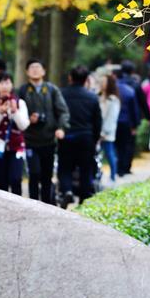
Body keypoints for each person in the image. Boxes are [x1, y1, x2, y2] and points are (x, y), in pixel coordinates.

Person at [18, 60, 70, 204]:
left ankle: (48, 205)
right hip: (30, 140)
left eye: (38, 67)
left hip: (48, 140)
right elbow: (16, 114)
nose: (35, 70)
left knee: (46, 176)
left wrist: (61, 128)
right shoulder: (22, 91)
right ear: (27, 72)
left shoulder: (52, 90)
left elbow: (63, 111)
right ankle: (34, 205)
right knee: (34, 174)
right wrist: (28, 119)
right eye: (32, 68)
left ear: (44, 71)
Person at [57, 66, 102, 205]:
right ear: (86, 79)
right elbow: (97, 122)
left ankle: (67, 191)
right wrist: (94, 139)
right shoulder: (92, 97)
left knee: (65, 167)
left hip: (67, 136)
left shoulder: (62, 94)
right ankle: (84, 197)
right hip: (86, 137)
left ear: (70, 78)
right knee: (86, 168)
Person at [0, 71, 29, 194]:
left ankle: (18, 208)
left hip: (17, 147)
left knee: (15, 179)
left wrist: (14, 111)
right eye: (1, 83)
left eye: (7, 82)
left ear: (12, 85)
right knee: (1, 181)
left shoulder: (20, 103)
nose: (4, 86)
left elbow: (24, 126)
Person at [114, 66, 140, 176]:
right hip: (126, 122)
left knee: (114, 146)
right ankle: (123, 168)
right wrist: (135, 125)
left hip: (113, 122)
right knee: (124, 146)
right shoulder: (130, 90)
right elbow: (134, 110)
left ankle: (116, 168)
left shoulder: (112, 89)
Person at [100, 73, 121, 186]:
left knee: (109, 154)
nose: (102, 84)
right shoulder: (100, 96)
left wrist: (104, 132)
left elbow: (111, 118)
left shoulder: (113, 100)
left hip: (106, 133)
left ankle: (113, 176)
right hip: (99, 132)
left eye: (104, 82)